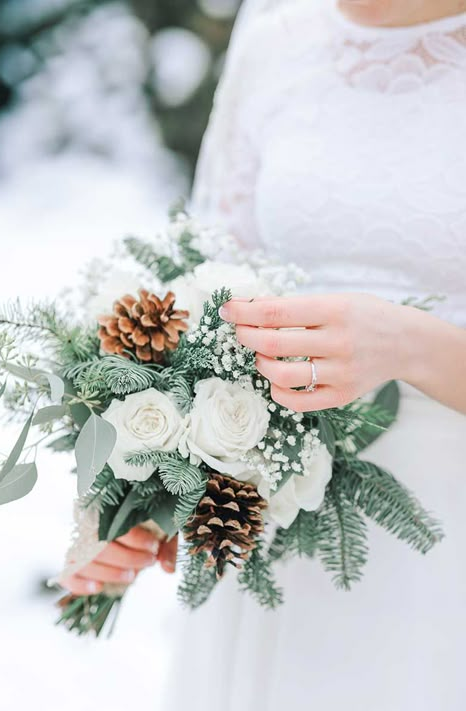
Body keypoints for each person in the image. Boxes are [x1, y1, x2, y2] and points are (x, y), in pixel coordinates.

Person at [62, 1, 466, 708]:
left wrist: (412, 344)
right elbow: (208, 280)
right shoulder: (278, 28)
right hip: (268, 556)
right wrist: (140, 486)